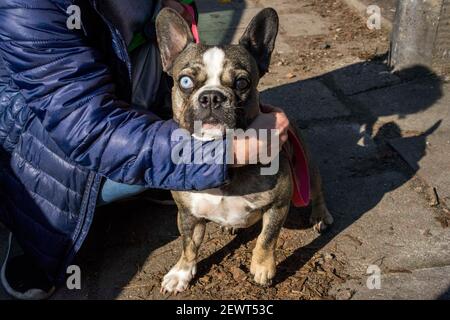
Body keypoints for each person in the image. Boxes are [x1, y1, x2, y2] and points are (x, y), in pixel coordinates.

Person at [0, 0, 289, 300]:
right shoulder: (29, 7)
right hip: (51, 136)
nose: (212, 101)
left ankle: (161, 168)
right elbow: (88, 129)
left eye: (239, 83)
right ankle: (31, 220)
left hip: (121, 84)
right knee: (112, 171)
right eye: (190, 82)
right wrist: (230, 153)